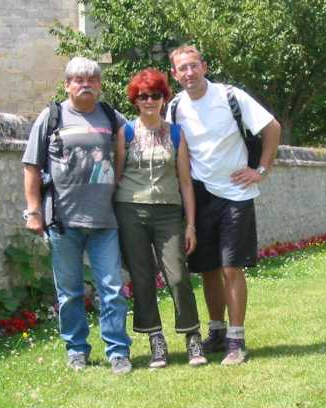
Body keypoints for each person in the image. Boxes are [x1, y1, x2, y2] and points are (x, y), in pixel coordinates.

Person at [167, 45, 281, 365]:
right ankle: (216, 333)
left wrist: (261, 170)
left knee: (231, 267)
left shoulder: (230, 96)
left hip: (236, 195)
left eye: (193, 65)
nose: (189, 72)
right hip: (199, 196)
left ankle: (236, 339)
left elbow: (272, 127)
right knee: (208, 269)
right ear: (174, 74)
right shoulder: (174, 106)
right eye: (182, 68)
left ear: (204, 67)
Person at [22, 56, 133, 374]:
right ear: (67, 84)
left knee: (112, 290)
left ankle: (118, 351)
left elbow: (134, 142)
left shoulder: (111, 116)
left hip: (104, 220)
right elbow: (31, 166)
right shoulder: (51, 116)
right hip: (63, 220)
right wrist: (33, 211)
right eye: (79, 80)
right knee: (69, 293)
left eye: (92, 79)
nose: (86, 84)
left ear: (99, 84)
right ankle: (76, 350)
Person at [114, 68, 207, 368]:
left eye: (155, 95)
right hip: (131, 210)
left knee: (178, 276)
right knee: (142, 278)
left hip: (168, 212)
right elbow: (116, 177)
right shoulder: (126, 133)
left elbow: (186, 183)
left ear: (164, 98)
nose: (149, 101)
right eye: (143, 96)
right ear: (135, 101)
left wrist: (190, 225)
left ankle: (192, 336)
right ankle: (156, 340)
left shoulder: (176, 134)